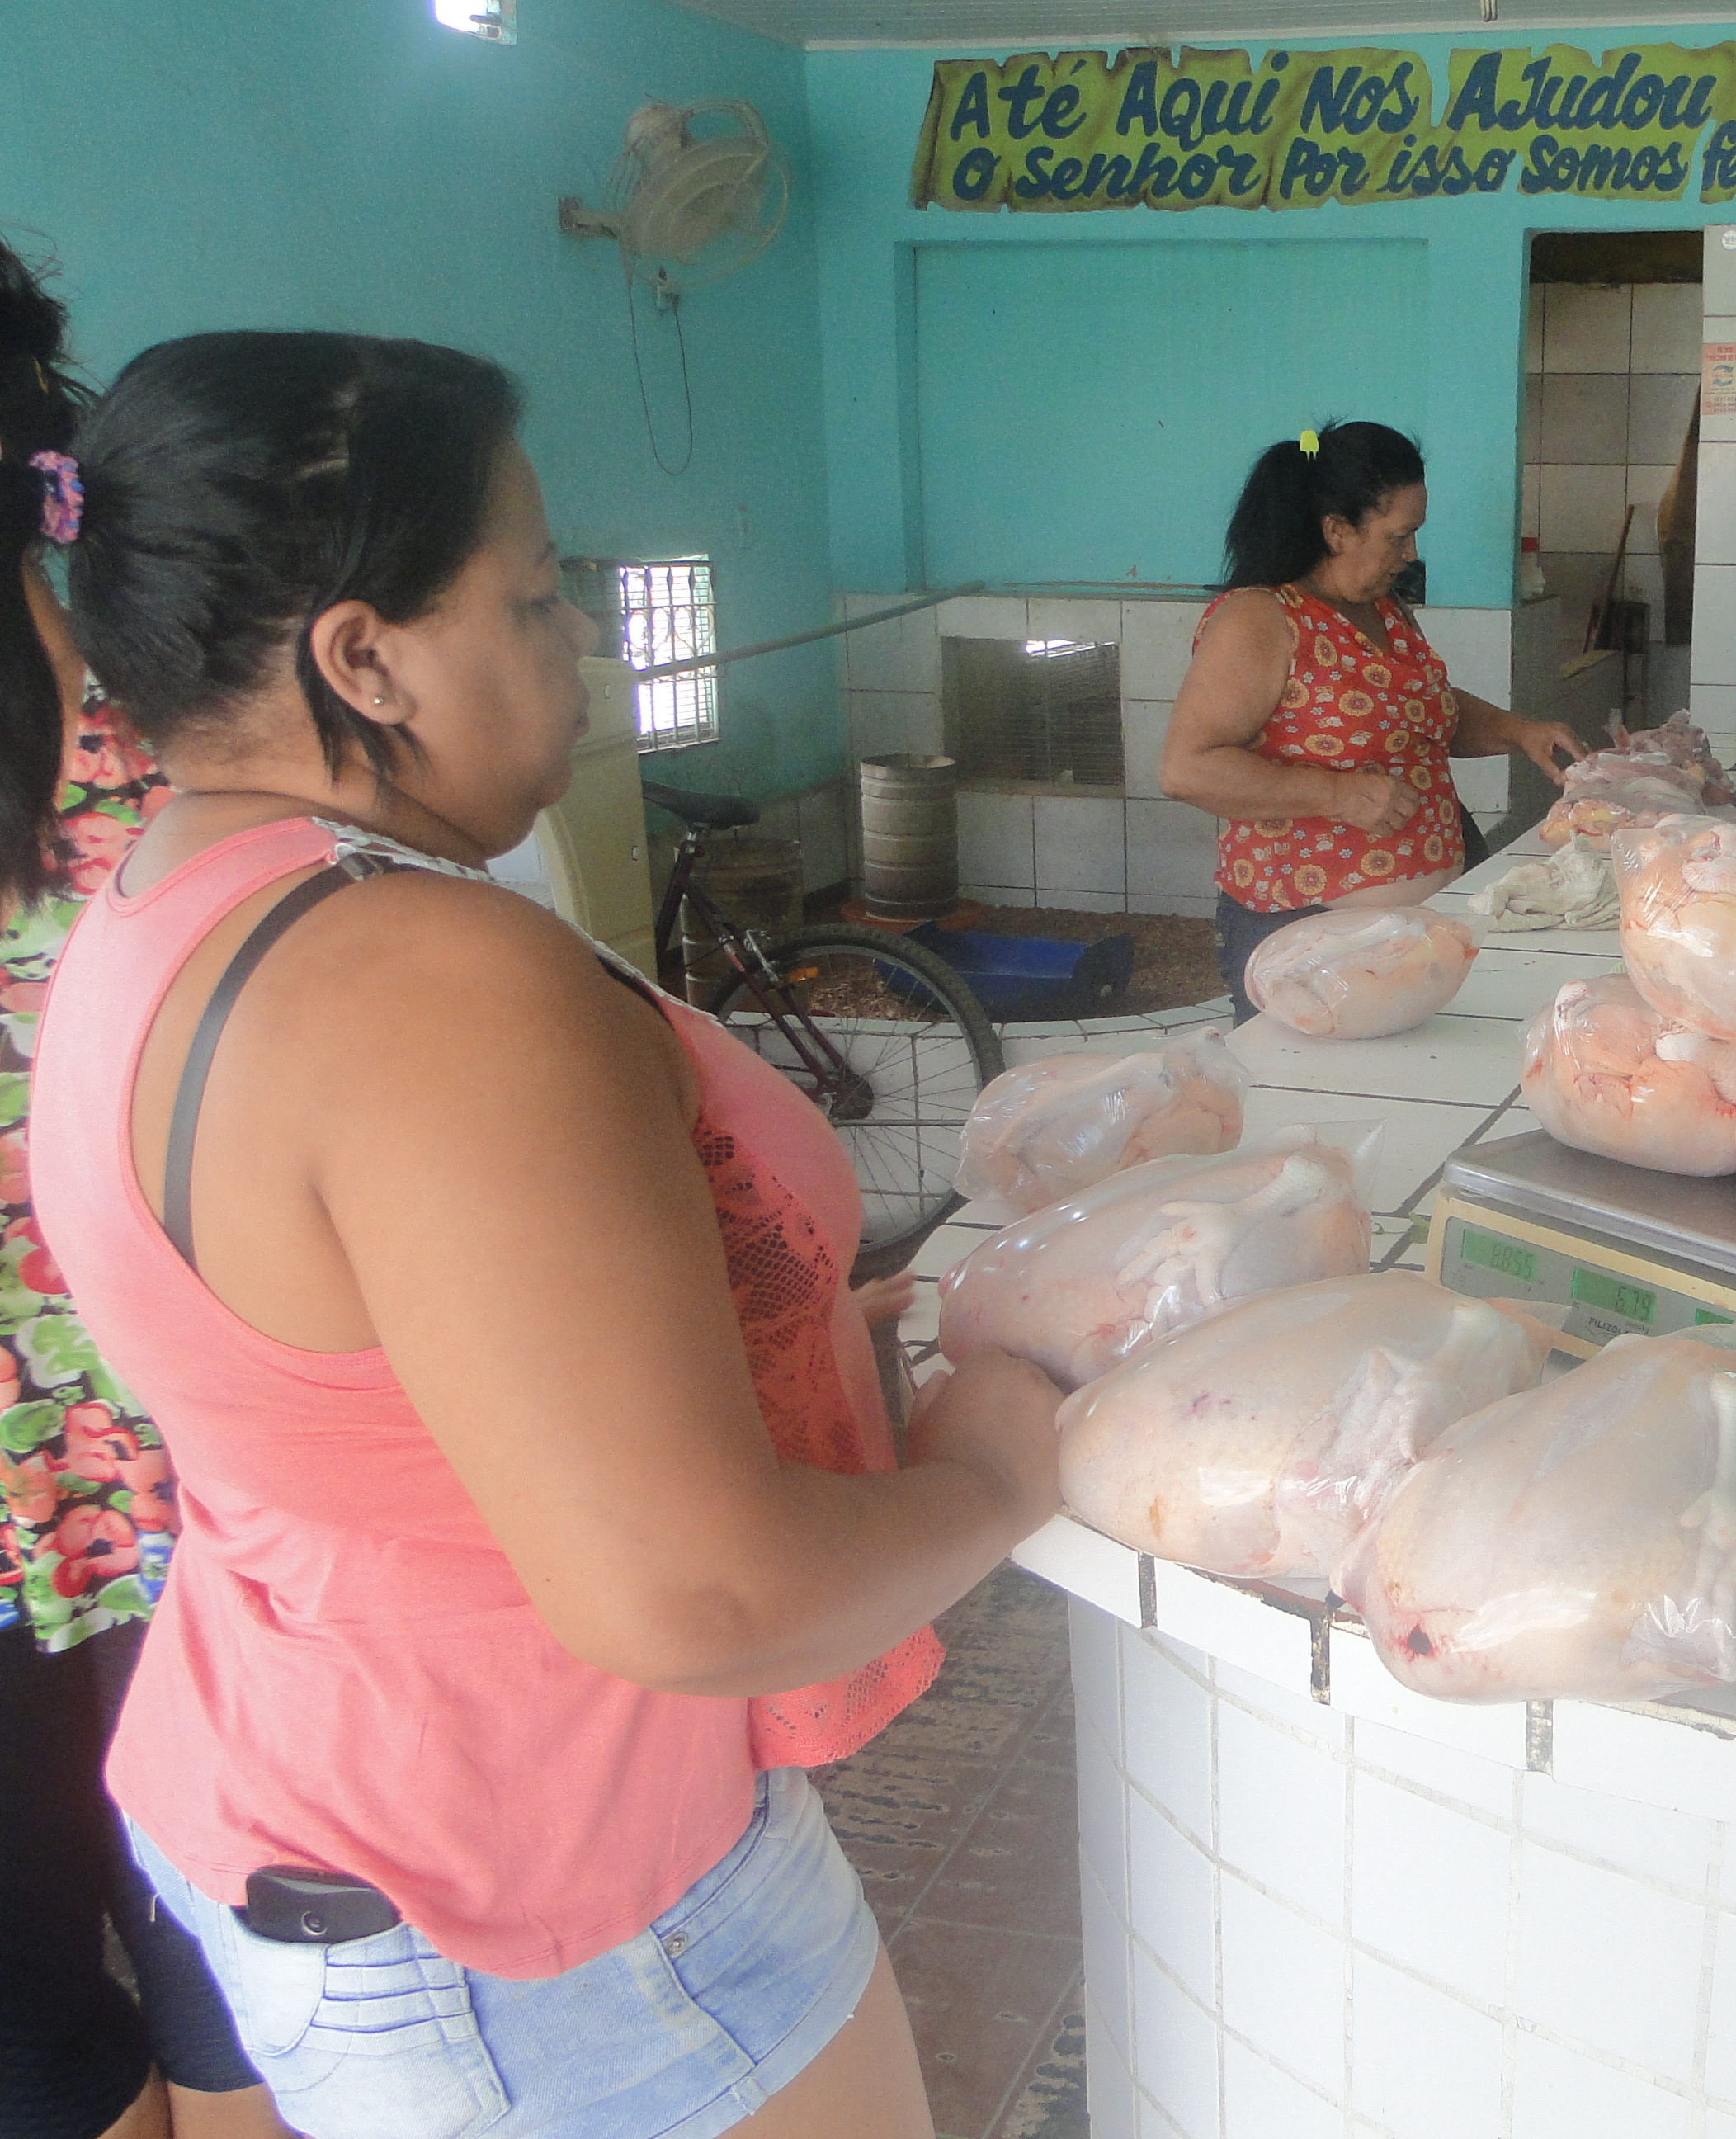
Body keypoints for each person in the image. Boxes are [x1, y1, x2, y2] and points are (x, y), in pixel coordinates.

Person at [17, 330, 1065, 2139]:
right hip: (545, 1910)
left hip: (325, 1797)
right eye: (531, 597)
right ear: (366, 656)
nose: (579, 636)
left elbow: (377, 1381)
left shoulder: (164, 887)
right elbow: (694, 1592)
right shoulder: (430, 981)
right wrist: (999, 1473)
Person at [0, 243, 284, 2139]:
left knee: (30, 2018)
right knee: (227, 1941)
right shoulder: (173, 728)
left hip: (118, 1432)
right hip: (189, 1423)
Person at [1160, 421, 1588, 1018]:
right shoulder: (1259, 620)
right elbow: (1186, 768)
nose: (1410, 553)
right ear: (1337, 530)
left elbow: (1423, 713)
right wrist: (1333, 793)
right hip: (1308, 935)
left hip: (1417, 926)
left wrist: (1520, 732)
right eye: (1398, 536)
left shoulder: (1383, 609)